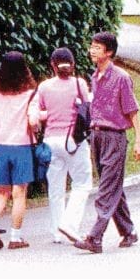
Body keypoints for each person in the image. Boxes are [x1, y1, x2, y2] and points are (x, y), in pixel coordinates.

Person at [67, 31, 140, 254]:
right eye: (92, 46)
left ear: (109, 52)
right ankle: (128, 231)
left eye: (98, 47)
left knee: (106, 187)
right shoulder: (94, 76)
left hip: (115, 136)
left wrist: (139, 140)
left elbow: (132, 110)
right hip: (97, 136)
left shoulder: (121, 77)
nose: (92, 50)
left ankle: (95, 237)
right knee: (112, 184)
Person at [30, 47, 92, 243]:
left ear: (52, 65)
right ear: (72, 65)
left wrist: (50, 114)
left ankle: (57, 232)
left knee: (55, 189)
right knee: (82, 183)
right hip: (72, 139)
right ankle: (69, 224)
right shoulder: (78, 83)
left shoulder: (44, 87)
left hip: (50, 141)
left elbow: (36, 115)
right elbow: (86, 107)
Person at [0, 51, 37, 249]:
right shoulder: (30, 94)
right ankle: (15, 237)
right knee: (19, 193)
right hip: (21, 146)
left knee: (1, 192)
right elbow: (34, 122)